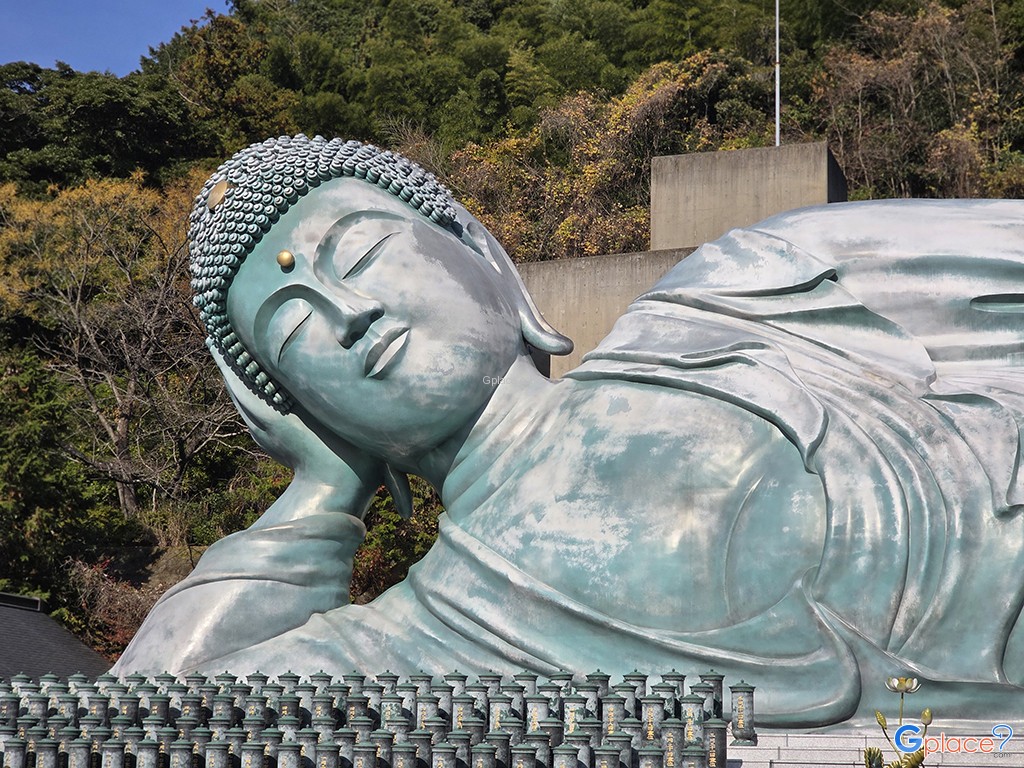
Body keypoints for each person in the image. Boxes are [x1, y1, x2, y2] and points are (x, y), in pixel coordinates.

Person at [114, 135, 1024, 727]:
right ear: (296, 409)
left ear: (480, 251)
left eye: (359, 252)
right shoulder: (422, 642)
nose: (348, 312)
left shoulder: (762, 297)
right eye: (294, 330)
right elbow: (141, 724)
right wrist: (319, 491)